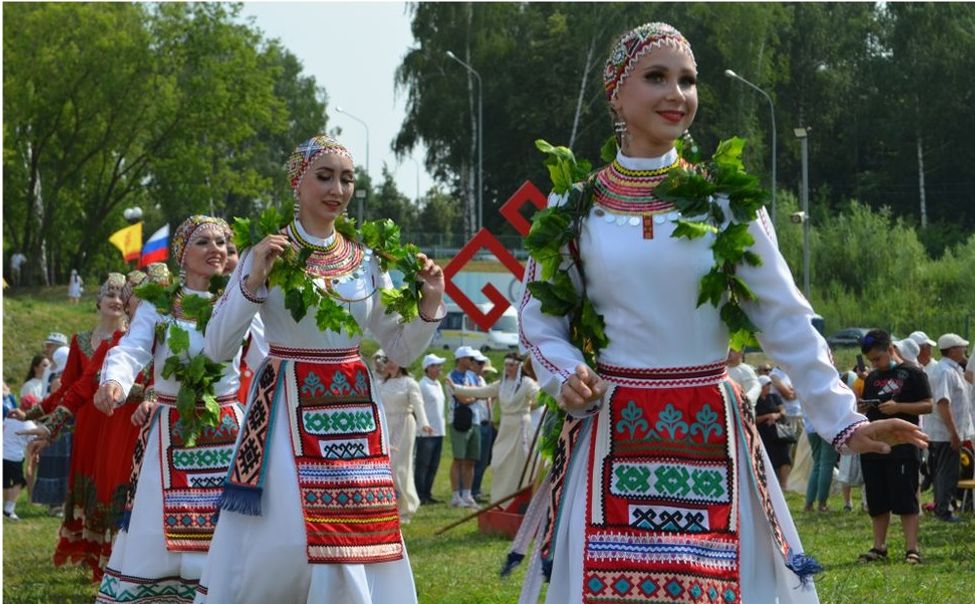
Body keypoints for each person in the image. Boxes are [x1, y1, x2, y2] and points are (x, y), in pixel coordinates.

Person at [517, 23, 926, 603]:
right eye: (655, 77)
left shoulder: (726, 203)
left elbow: (784, 318)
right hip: (613, 425)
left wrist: (844, 419)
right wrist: (564, 374)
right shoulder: (574, 206)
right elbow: (538, 319)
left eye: (687, 81)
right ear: (616, 92)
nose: (676, 95)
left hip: (711, 425)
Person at [195, 134, 445, 604]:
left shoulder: (366, 258)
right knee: (287, 534)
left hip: (351, 405)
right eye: (324, 176)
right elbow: (216, 345)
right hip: (286, 403)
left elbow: (399, 347)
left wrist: (430, 303)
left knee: (351, 535)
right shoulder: (264, 251)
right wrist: (252, 281)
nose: (337, 189)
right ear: (297, 181)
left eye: (347, 179)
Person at [92, 216, 244, 603]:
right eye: (204, 242)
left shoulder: (239, 300)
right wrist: (115, 380)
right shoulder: (160, 306)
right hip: (170, 430)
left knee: (227, 525)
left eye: (223, 242)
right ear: (181, 254)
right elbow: (132, 348)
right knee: (159, 529)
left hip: (227, 428)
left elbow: (267, 357)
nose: (217, 249)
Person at [13, 273, 130, 579]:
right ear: (98, 301)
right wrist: (34, 414)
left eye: (122, 296)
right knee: (91, 487)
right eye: (111, 295)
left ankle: (117, 557)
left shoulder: (134, 339)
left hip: (121, 421)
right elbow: (70, 389)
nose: (116, 300)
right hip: (89, 425)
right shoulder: (80, 341)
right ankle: (93, 552)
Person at [857, 329, 932, 565]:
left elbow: (928, 405)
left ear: (891, 349)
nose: (875, 364)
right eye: (871, 360)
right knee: (877, 496)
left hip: (904, 444)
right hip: (875, 444)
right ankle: (879, 546)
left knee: (906, 495)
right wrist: (862, 408)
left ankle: (912, 548)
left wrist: (900, 408)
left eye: (878, 358)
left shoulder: (913, 373)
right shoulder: (871, 378)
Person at [448, 352, 541, 503]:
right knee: (499, 462)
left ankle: (518, 498)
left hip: (521, 427)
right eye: (506, 365)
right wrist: (457, 388)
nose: (508, 368)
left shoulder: (527, 383)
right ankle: (502, 499)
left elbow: (541, 397)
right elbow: (481, 392)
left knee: (519, 463)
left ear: (519, 367)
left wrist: (532, 406)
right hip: (505, 427)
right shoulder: (502, 384)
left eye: (511, 365)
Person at [924, 333, 972, 522]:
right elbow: (943, 403)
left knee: (943, 471)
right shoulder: (945, 371)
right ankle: (943, 510)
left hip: (946, 432)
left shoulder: (950, 369)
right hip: (945, 433)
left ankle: (942, 506)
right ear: (952, 350)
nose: (964, 350)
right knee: (947, 472)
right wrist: (954, 432)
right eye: (961, 347)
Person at [380, 359, 432, 523]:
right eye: (387, 361)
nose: (389, 365)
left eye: (393, 362)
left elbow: (418, 403)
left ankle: (404, 508)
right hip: (386, 426)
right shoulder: (381, 383)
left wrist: (424, 423)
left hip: (404, 425)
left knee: (400, 466)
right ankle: (389, 506)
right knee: (386, 466)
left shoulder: (410, 383)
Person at [447, 346, 481, 509]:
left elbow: (477, 394)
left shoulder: (473, 376)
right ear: (461, 359)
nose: (472, 361)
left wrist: (473, 396)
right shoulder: (451, 376)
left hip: (475, 419)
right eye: (469, 358)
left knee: (471, 460)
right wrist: (476, 396)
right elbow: (461, 398)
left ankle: (467, 494)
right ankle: (455, 495)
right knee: (458, 459)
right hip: (459, 419)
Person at [415, 353, 447, 504]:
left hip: (439, 430)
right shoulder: (422, 385)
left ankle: (428, 493)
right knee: (423, 465)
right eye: (436, 366)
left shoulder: (438, 384)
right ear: (428, 368)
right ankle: (420, 495)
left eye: (439, 365)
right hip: (426, 433)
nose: (439, 369)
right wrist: (423, 425)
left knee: (433, 464)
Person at [4, 390, 39, 520]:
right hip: (15, 457)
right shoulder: (29, 424)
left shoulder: (9, 419)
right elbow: (32, 446)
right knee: (19, 482)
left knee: (6, 484)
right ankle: (9, 509)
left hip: (3, 454)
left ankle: (6, 507)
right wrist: (30, 462)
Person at [754, 375, 792, 488]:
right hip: (764, 433)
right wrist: (767, 416)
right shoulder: (756, 401)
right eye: (767, 385)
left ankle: (784, 484)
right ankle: (771, 485)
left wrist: (776, 415)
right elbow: (754, 418)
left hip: (778, 431)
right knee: (768, 458)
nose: (769, 387)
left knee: (784, 457)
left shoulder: (774, 397)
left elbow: (783, 410)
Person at [470, 349, 494, 502]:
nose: (482, 367)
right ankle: (472, 490)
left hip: (487, 423)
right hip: (478, 423)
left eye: (483, 364)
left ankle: (476, 488)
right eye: (479, 363)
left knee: (485, 459)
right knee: (477, 459)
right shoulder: (471, 380)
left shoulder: (482, 380)